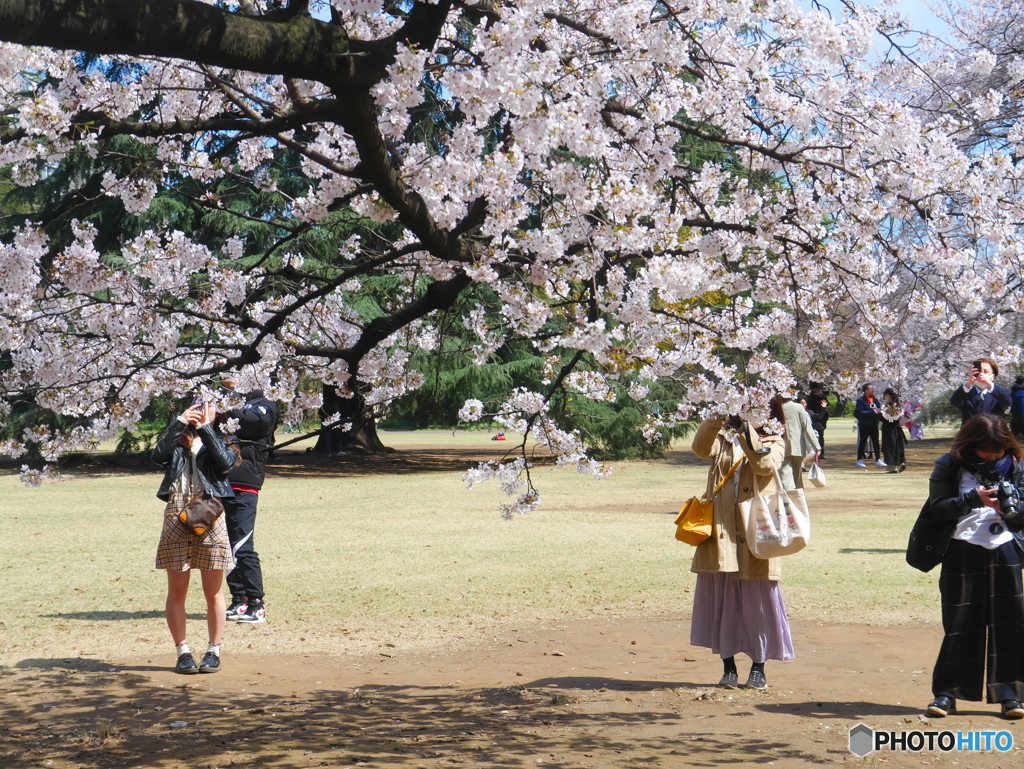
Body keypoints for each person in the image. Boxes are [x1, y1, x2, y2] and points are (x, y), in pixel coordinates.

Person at [923, 414, 1024, 720]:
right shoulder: (949, 464)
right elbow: (938, 508)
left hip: (1005, 548)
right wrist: (973, 498)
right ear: (971, 443)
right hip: (961, 548)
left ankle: (1010, 695)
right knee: (959, 621)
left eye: (999, 450)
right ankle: (947, 694)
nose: (994, 456)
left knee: (1010, 622)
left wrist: (1011, 508)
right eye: (987, 450)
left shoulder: (1016, 465)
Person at [689, 403, 795, 690]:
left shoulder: (776, 440)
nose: (748, 412)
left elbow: (763, 466)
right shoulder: (723, 439)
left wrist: (746, 430)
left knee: (757, 604)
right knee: (723, 602)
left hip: (756, 531)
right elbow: (700, 448)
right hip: (721, 531)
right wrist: (716, 415)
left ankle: (758, 669)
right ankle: (729, 668)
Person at [152, 401, 239, 674]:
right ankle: (183, 651)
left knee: (213, 590)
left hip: (209, 512)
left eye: (209, 404)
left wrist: (206, 428)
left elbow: (225, 465)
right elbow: (157, 456)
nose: (203, 408)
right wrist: (179, 422)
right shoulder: (177, 439)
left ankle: (214, 650)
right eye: (198, 403)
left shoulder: (225, 438)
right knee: (177, 589)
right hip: (177, 512)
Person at [222, 376, 279, 625]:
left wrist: (227, 404)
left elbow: (255, 421)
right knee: (224, 546)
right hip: (220, 482)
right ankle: (239, 599)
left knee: (242, 545)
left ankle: (257, 603)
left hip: (245, 484)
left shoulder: (266, 404)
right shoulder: (229, 403)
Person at [950, 358, 1011, 424]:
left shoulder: (1000, 393)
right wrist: (968, 384)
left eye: (985, 371)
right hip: (970, 432)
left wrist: (989, 384)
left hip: (992, 432)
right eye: (978, 371)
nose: (981, 375)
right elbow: (954, 402)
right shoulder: (966, 392)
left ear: (993, 376)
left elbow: (1008, 403)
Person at [779, 395, 820, 490]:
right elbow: (807, 428)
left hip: (783, 444)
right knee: (797, 474)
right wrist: (816, 447)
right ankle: (799, 496)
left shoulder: (777, 407)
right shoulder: (798, 407)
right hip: (798, 445)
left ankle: (789, 496)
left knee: (785, 472)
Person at [854, 384, 883, 468]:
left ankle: (878, 459)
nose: (872, 390)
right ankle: (859, 460)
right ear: (865, 391)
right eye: (870, 389)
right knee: (862, 442)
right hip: (864, 425)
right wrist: (873, 411)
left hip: (874, 424)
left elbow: (878, 409)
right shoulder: (860, 401)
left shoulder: (875, 400)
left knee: (876, 443)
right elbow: (860, 412)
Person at [880, 388, 907, 473]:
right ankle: (902, 462)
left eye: (885, 396)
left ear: (887, 395)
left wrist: (877, 413)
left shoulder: (887, 406)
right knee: (898, 446)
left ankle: (892, 467)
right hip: (897, 428)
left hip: (888, 429)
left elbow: (885, 418)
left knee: (889, 447)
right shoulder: (899, 406)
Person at [804, 385, 829, 461]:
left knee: (820, 435)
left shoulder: (822, 397)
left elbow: (826, 404)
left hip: (821, 417)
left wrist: (822, 396)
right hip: (811, 416)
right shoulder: (809, 396)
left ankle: (821, 452)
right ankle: (811, 452)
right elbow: (808, 404)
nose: (815, 391)